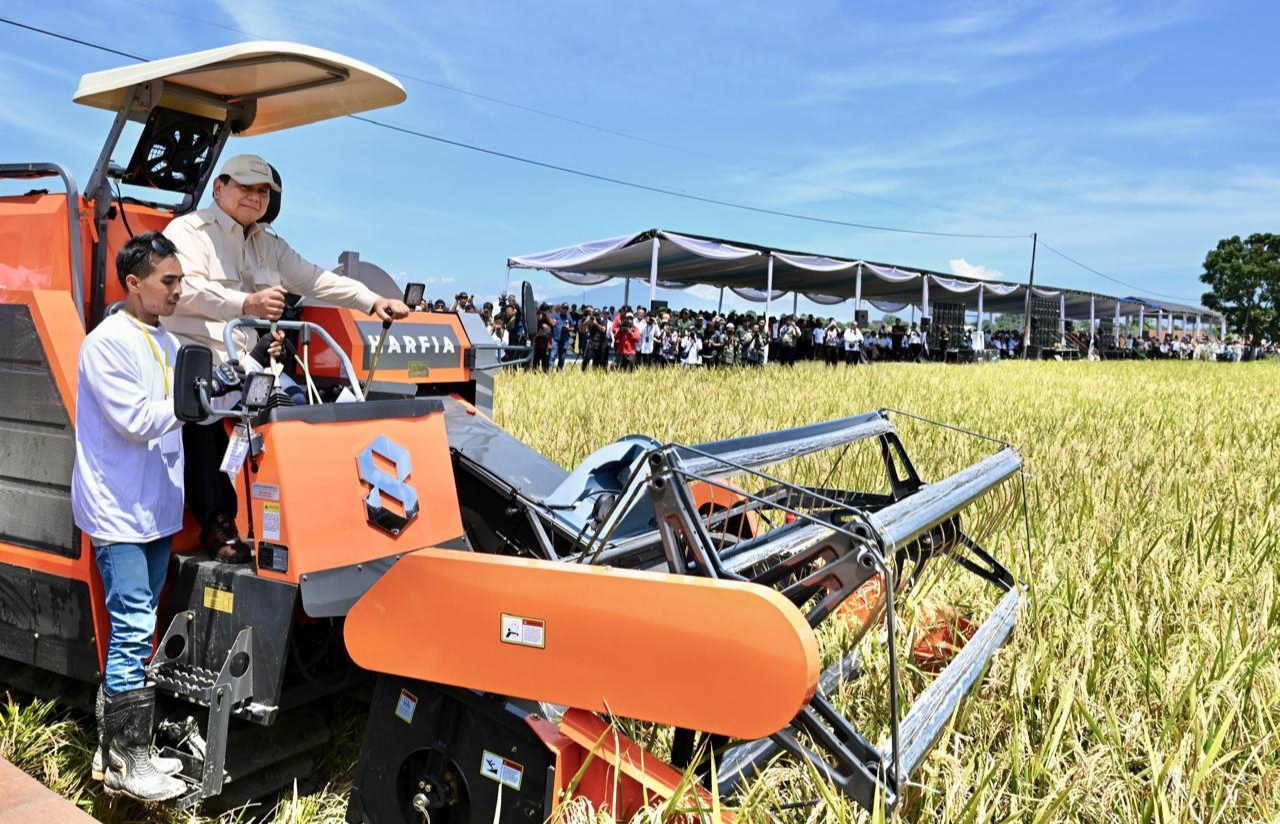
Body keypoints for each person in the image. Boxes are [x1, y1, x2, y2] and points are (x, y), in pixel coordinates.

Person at [164, 155, 410, 562]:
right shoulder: (187, 232)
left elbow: (316, 279)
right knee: (204, 416)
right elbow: (181, 290)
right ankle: (218, 521)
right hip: (195, 356)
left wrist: (373, 300)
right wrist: (246, 302)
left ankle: (309, 514)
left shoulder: (268, 244)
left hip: (249, 359)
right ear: (219, 187)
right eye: (245, 187)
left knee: (294, 403)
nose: (255, 197)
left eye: (263, 192)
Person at [71, 232, 189, 801]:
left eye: (179, 279)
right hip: (118, 509)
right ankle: (127, 759)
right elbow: (136, 420)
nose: (177, 290)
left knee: (139, 630)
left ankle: (114, 749)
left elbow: (181, 414)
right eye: (167, 281)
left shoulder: (166, 342)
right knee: (133, 629)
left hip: (157, 508)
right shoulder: (107, 343)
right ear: (134, 282)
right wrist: (195, 401)